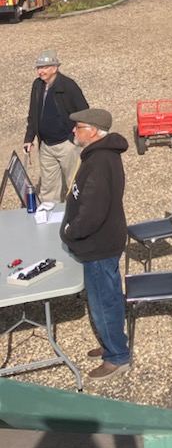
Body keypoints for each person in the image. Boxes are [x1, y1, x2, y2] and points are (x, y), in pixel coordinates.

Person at [61, 107, 131, 381]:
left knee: (105, 302)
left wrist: (70, 231)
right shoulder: (99, 155)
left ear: (93, 131)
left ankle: (117, 357)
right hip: (103, 242)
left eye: (77, 127)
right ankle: (111, 342)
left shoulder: (100, 162)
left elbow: (92, 213)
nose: (73, 132)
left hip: (99, 246)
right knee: (106, 298)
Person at [24, 49, 88, 203]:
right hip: (46, 146)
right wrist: (28, 138)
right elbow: (33, 113)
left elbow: (84, 110)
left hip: (66, 144)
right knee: (48, 189)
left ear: (55, 68)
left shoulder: (68, 85)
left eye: (44, 67)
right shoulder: (37, 85)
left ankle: (76, 219)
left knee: (74, 185)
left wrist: (77, 128)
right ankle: (49, 219)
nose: (40, 71)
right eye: (39, 68)